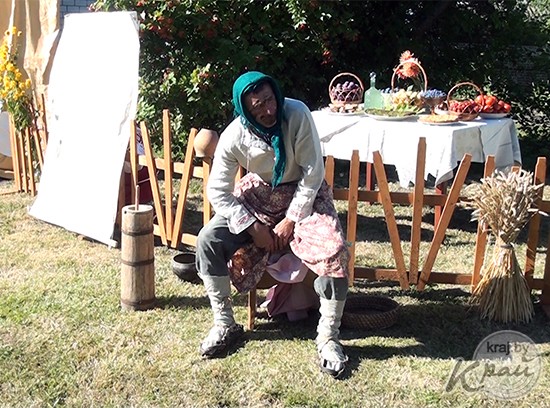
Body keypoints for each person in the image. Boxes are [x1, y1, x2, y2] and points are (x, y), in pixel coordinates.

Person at [195, 71, 350, 378]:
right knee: (208, 239)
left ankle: (328, 338)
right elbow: (217, 190)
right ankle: (225, 324)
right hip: (261, 195)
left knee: (333, 248)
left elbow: (312, 172)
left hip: (304, 194)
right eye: (257, 107)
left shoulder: (297, 113)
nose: (268, 110)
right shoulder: (234, 136)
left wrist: (292, 218)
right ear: (245, 111)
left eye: (269, 100)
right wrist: (252, 227)